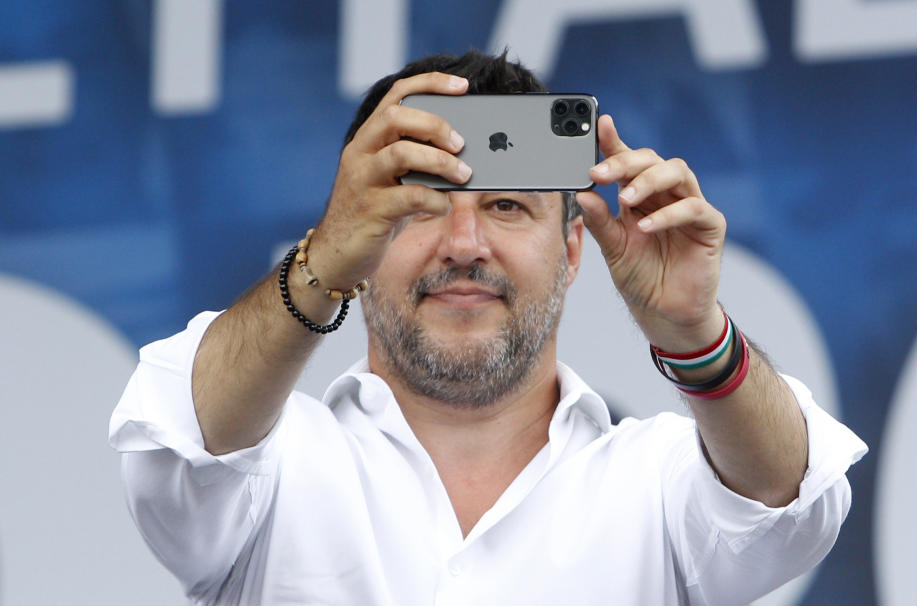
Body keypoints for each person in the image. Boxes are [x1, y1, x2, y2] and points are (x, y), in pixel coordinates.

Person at [109, 51, 866, 605]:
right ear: (358, 244)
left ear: (572, 251)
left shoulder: (659, 480)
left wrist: (693, 332)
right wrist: (320, 263)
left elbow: (789, 497)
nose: (464, 244)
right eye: (420, 206)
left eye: (507, 206)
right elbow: (179, 435)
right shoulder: (271, 466)